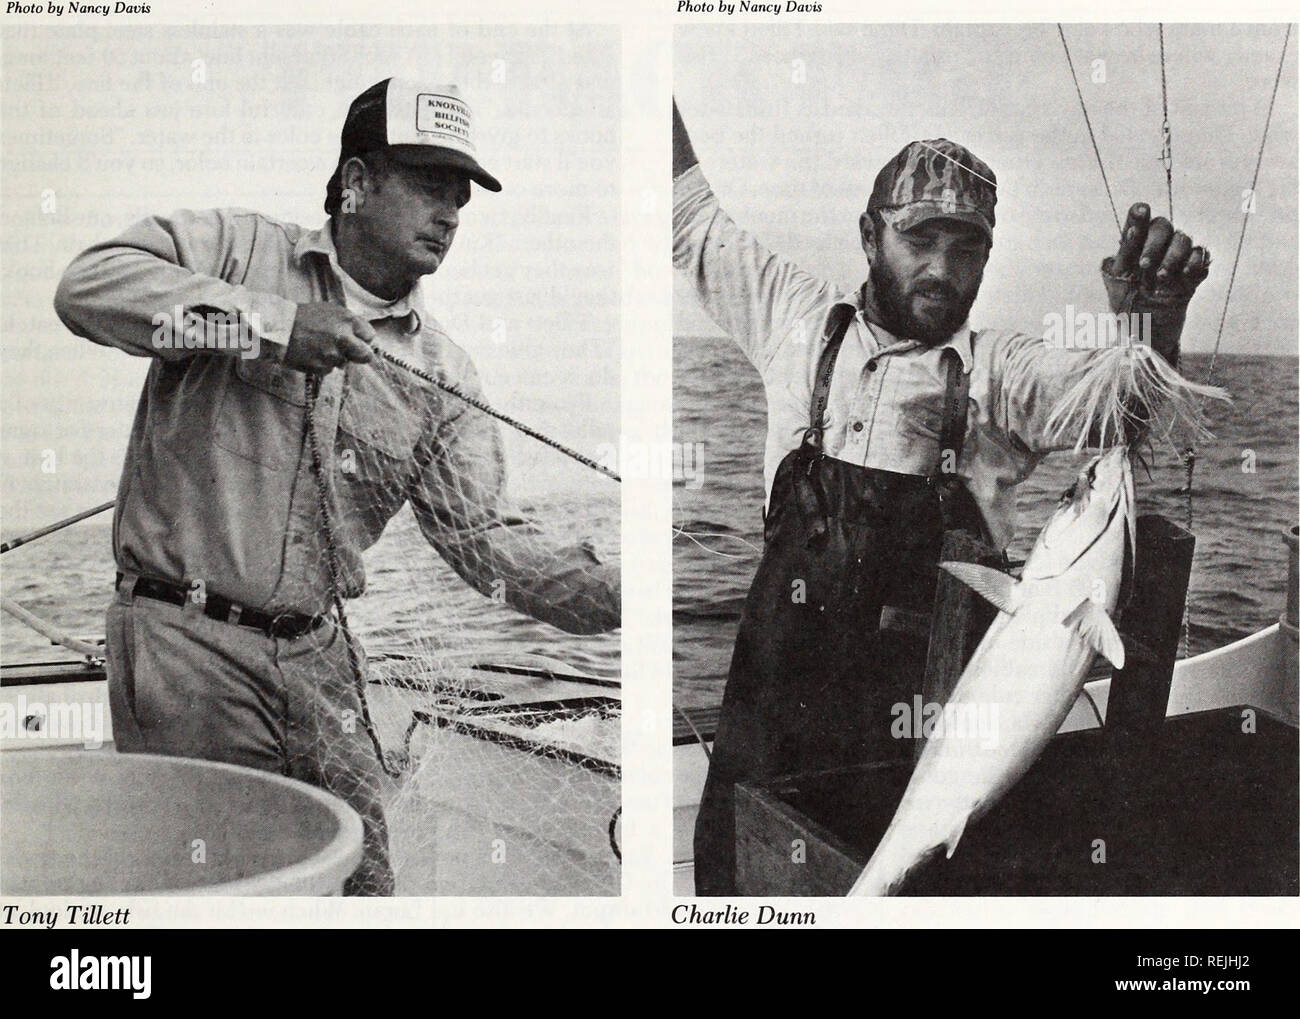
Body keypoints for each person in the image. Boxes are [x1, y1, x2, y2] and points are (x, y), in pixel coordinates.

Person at [53, 78, 621, 896]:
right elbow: (86, 289)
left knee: (364, 884)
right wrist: (268, 324)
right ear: (355, 182)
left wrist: (623, 591)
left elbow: (491, 547)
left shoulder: (444, 373)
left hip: (321, 655)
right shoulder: (239, 249)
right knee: (228, 889)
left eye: (460, 196)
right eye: (429, 186)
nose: (451, 213)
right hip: (186, 640)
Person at [672, 99, 1210, 895]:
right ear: (868, 234)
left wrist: (1150, 325)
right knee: (740, 882)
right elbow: (684, 211)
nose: (941, 269)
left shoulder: (1003, 372)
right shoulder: (795, 318)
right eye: (918, 237)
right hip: (768, 719)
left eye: (967, 248)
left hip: (925, 746)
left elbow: (1121, 409)